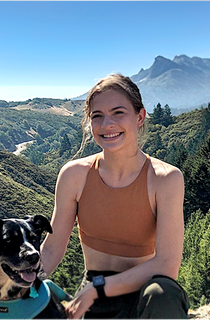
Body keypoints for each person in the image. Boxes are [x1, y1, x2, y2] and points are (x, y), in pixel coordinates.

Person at [40, 73, 189, 320]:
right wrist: (19, 288)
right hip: (93, 295)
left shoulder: (166, 179)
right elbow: (52, 250)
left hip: (143, 296)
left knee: (164, 292)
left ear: (140, 117)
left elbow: (166, 266)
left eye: (118, 113)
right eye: (97, 116)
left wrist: (96, 290)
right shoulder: (74, 175)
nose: (107, 124)